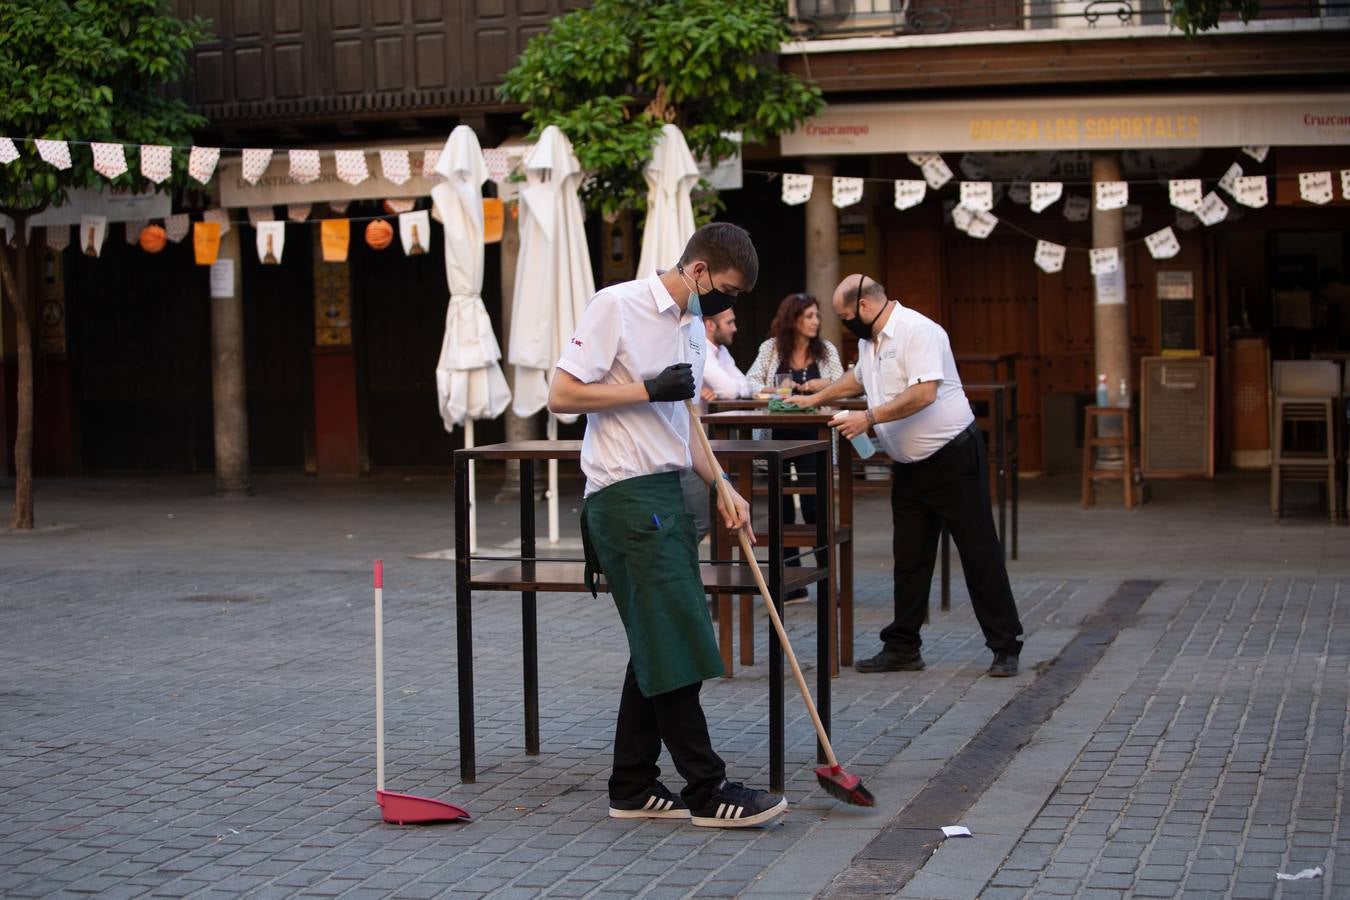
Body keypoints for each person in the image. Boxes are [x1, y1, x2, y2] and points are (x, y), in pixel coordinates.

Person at [549, 222, 789, 827]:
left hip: (667, 491)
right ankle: (707, 789)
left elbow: (688, 428)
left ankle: (631, 784)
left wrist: (723, 484)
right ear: (700, 272)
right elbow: (561, 394)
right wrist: (645, 388)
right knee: (677, 635)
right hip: (624, 494)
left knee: (659, 637)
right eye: (728, 291)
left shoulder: (692, 332)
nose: (729, 304)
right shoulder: (618, 305)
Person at [789, 273, 1024, 677]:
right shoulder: (868, 342)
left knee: (978, 551)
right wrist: (814, 399)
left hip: (953, 456)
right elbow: (856, 378)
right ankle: (903, 646)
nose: (845, 323)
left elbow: (924, 392)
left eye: (845, 314)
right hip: (910, 467)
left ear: (863, 306)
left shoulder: (919, 331)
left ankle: (1005, 645)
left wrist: (869, 417)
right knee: (910, 557)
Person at [746, 293, 844, 599]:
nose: (816, 322)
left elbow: (845, 382)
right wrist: (772, 388)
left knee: (816, 508)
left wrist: (824, 386)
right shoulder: (771, 348)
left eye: (817, 316)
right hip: (777, 435)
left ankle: (828, 582)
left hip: (813, 436)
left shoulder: (825, 351)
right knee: (780, 508)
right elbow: (748, 383)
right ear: (793, 319)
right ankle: (791, 583)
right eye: (809, 316)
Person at [683, 306, 751, 541]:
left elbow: (745, 386)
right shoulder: (699, 345)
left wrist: (729, 389)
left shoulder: (721, 352)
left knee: (705, 519)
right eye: (729, 322)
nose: (735, 328)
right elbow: (733, 390)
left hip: (703, 444)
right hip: (689, 444)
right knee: (700, 521)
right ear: (710, 326)